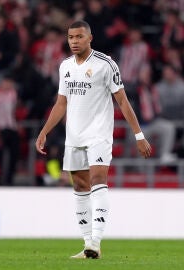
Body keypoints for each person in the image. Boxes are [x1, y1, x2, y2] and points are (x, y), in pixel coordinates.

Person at [35, 21, 152, 259]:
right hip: (74, 136)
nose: (74, 41)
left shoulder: (106, 64)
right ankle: (87, 243)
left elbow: (122, 101)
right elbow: (61, 103)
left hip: (98, 134)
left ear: (90, 38)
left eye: (79, 37)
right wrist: (44, 131)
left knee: (98, 179)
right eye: (70, 37)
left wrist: (139, 135)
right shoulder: (65, 66)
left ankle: (96, 242)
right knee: (79, 186)